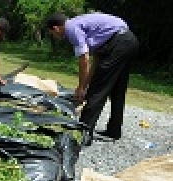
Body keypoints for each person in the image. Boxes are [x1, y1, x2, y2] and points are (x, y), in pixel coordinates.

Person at [46, 12, 139, 145]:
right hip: (129, 41)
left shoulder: (71, 28)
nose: (54, 37)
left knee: (97, 90)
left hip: (119, 43)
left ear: (56, 28)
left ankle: (83, 133)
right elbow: (96, 60)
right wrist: (85, 85)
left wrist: (81, 88)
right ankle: (114, 130)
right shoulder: (81, 24)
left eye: (52, 34)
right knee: (117, 89)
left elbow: (84, 59)